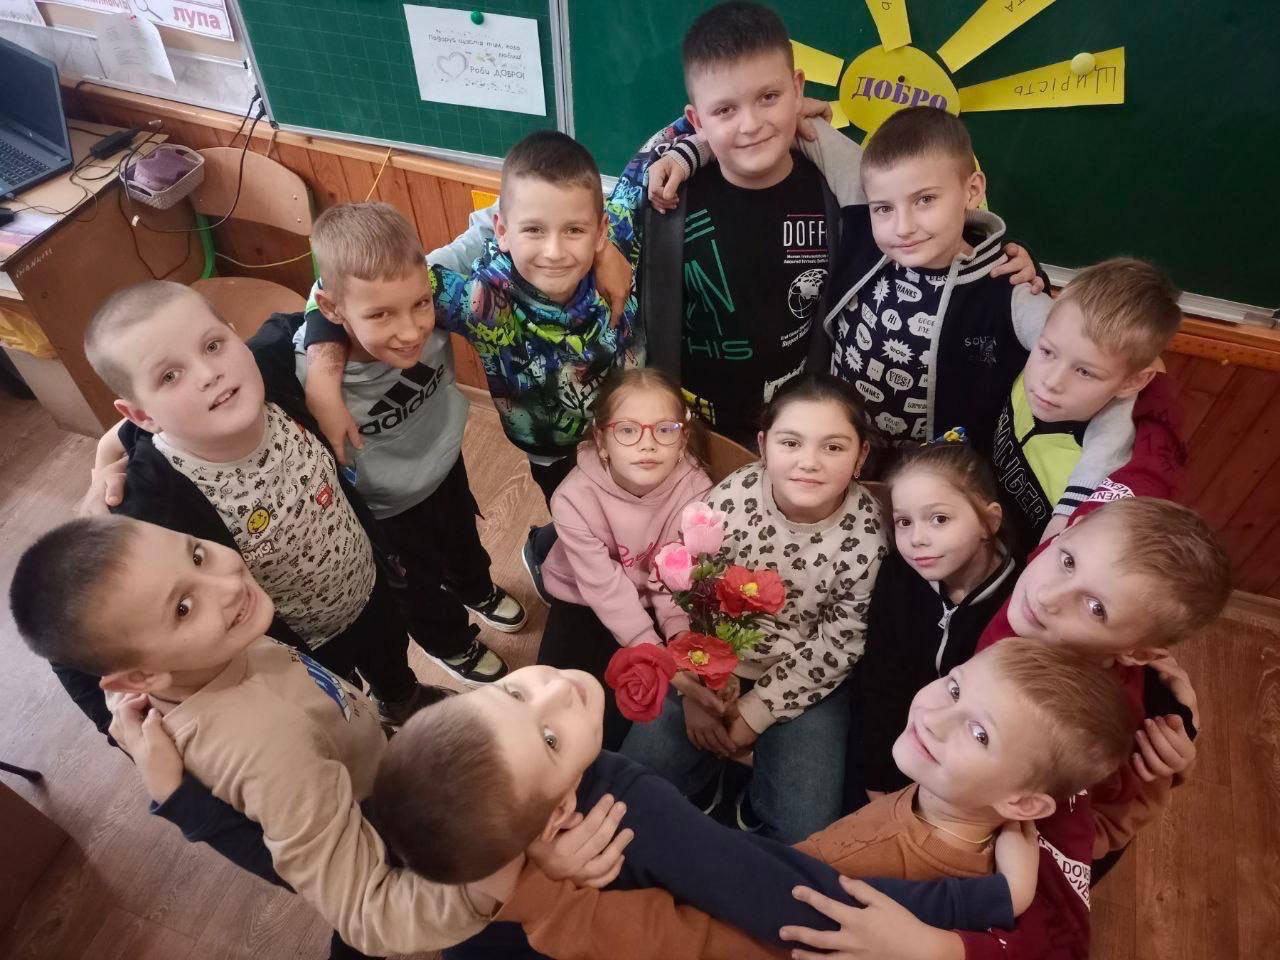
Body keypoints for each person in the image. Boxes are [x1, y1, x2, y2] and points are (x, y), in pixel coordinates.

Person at [8, 515, 493, 958]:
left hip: (366, 771)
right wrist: (493, 891)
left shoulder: (209, 650)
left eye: (197, 554)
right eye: (183, 608)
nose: (228, 583)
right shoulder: (268, 745)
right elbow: (366, 912)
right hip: (386, 829)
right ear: (140, 678)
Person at [782, 494, 1232, 960]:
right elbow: (1137, 477)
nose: (1047, 596)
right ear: (1064, 533)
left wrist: (940, 948)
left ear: (1137, 652)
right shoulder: (1050, 600)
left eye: (1095, 607)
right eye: (1067, 560)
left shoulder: (1066, 735)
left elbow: (1062, 929)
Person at [485, 639, 1135, 960]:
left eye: (980, 732)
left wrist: (543, 896)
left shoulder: (907, 877)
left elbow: (695, 939)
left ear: (1023, 803)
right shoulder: (959, 808)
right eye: (957, 687)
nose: (938, 715)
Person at [369, 662, 1032, 960]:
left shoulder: (457, 826)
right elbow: (791, 896)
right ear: (558, 811)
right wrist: (988, 901)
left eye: (512, 693)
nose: (557, 691)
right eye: (549, 738)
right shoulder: (629, 807)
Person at [606, 2, 1041, 446]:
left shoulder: (842, 192)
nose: (750, 124)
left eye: (769, 97)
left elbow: (926, 203)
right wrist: (687, 150)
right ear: (697, 121)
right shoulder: (665, 197)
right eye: (725, 111)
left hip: (805, 430)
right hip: (686, 427)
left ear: (798, 90)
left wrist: (1003, 255)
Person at [72, 282, 444, 727]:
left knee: (390, 656)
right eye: (170, 376)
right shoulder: (148, 497)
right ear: (141, 415)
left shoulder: (264, 366)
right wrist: (124, 729)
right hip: (297, 651)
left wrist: (324, 379)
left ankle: (401, 699)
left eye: (213, 345)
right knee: (339, 712)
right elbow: (71, 642)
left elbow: (323, 300)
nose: (208, 373)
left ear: (236, 337)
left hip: (368, 587)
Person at [300, 131, 639, 603]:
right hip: (553, 453)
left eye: (575, 231)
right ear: (502, 229)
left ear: (599, 230)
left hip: (629, 430)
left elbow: (656, 154)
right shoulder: (481, 301)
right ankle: (553, 552)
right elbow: (345, 286)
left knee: (631, 518)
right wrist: (321, 375)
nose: (554, 251)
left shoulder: (616, 232)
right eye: (534, 230)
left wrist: (608, 248)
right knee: (582, 523)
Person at [621, 374, 888, 842]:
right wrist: (697, 689)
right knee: (631, 782)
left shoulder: (868, 539)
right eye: (791, 442)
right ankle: (701, 781)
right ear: (763, 446)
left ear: (861, 455)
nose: (809, 462)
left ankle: (752, 801)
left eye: (833, 447)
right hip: (711, 658)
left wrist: (757, 711)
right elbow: (687, 591)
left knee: (804, 831)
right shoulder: (733, 498)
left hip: (805, 676)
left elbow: (838, 646)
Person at [300, 200, 528, 683]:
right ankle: (451, 644)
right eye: (380, 315)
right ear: (332, 309)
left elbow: (500, 215)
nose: (410, 331)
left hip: (446, 465)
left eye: (421, 303)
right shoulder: (303, 367)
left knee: (463, 539)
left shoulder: (428, 275)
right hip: (386, 508)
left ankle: (476, 589)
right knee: (416, 587)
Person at [537, 368, 713, 749]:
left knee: (622, 726)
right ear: (601, 441)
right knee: (555, 708)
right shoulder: (572, 498)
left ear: (683, 438)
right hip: (584, 595)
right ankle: (540, 548)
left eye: (664, 429)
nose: (647, 444)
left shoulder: (696, 490)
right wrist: (651, 651)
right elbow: (604, 589)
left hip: (655, 597)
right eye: (628, 430)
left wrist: (678, 640)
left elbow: (674, 579)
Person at [852, 439, 1019, 802]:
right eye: (904, 522)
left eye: (939, 519)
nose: (917, 539)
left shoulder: (1018, 601)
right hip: (893, 742)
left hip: (968, 767)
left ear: (989, 522)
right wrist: (876, 775)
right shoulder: (899, 575)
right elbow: (881, 680)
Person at [990, 257, 1182, 550]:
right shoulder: (1054, 331)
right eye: (1047, 352)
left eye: (1084, 372)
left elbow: (1061, 543)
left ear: (1131, 383)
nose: (1051, 381)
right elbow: (1008, 288)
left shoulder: (1106, 468)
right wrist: (1021, 256)